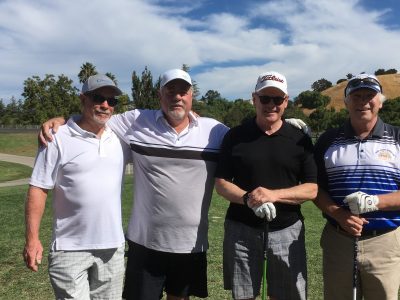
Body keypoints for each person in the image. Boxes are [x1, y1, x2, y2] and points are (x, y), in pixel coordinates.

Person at [40, 69, 309, 300]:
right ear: (160, 95)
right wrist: (64, 121)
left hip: (190, 244)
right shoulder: (135, 121)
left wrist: (287, 128)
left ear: (192, 97)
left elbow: (251, 140)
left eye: (183, 92)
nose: (177, 97)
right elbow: (96, 117)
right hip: (145, 242)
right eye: (170, 91)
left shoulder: (214, 131)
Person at [23, 74, 131, 299]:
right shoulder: (57, 137)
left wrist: (190, 116)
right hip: (69, 248)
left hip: (112, 248)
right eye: (98, 98)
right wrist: (32, 239)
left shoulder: (120, 138)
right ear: (82, 99)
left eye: (112, 101)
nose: (105, 105)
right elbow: (38, 188)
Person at [214, 71, 318, 300]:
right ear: (254, 99)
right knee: (244, 295)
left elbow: (311, 188)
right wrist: (249, 199)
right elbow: (221, 184)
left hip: (287, 231)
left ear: (286, 102)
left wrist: (272, 195)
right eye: (265, 98)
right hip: (241, 231)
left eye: (277, 99)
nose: (271, 104)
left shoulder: (299, 139)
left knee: (288, 295)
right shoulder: (235, 136)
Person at [314, 73, 400, 299]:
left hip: (385, 241)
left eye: (370, 95)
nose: (363, 101)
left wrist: (375, 202)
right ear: (346, 103)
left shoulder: (398, 138)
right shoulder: (328, 140)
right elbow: (316, 189)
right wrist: (338, 214)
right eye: (356, 96)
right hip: (338, 239)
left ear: (381, 101)